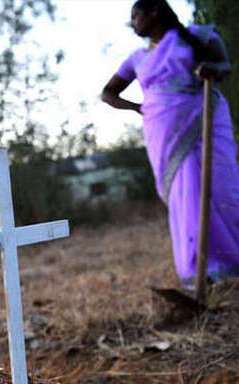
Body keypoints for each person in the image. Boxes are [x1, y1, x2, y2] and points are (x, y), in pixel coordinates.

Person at [101, 0, 239, 289]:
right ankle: (200, 274)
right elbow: (108, 93)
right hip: (162, 133)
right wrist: (139, 108)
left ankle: (231, 265)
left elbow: (224, 65)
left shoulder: (198, 36)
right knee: (185, 197)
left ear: (154, 12)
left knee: (220, 188)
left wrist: (210, 70)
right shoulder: (136, 58)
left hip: (205, 121)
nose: (132, 22)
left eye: (135, 16)